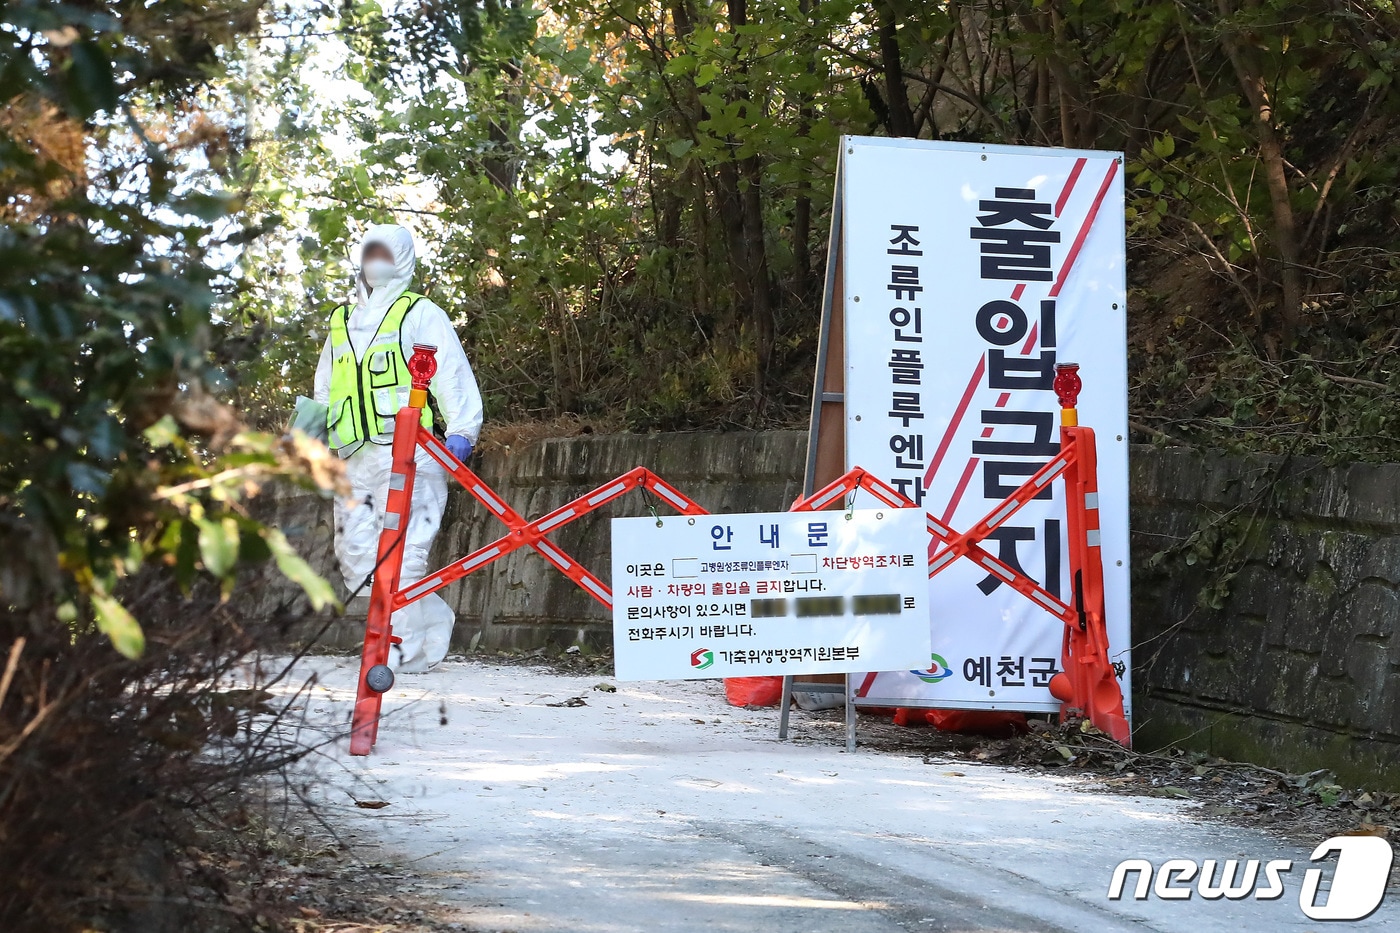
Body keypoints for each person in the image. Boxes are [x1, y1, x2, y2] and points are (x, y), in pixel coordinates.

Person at [311, 223, 483, 672]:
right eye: (369, 250)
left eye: (385, 251)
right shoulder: (340, 322)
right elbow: (325, 390)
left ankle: (401, 649)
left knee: (406, 558)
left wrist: (462, 431)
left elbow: (450, 373)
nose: (375, 259)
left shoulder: (419, 313)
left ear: (404, 257)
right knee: (356, 560)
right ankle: (428, 623)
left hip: (412, 452)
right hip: (352, 457)